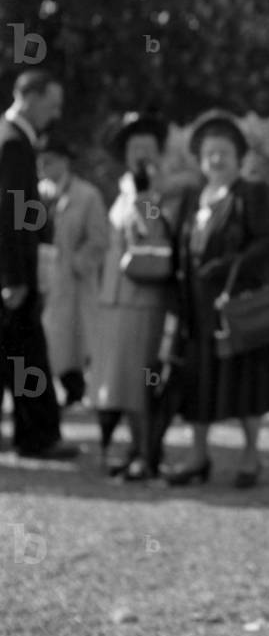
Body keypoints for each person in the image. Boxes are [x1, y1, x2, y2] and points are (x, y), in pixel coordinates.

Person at [163, 109, 269, 487]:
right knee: (196, 379)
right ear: (199, 158)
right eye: (209, 152)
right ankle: (199, 456)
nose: (215, 159)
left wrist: (231, 263)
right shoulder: (191, 197)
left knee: (244, 378)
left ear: (238, 156)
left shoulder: (253, 192)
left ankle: (250, 456)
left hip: (235, 305)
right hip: (196, 307)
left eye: (223, 152)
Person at [90, 111, 183, 479]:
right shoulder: (125, 186)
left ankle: (148, 454)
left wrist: (147, 193)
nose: (139, 154)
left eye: (146, 147)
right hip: (115, 299)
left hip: (143, 299)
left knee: (141, 380)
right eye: (133, 147)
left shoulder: (163, 190)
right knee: (122, 382)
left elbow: (156, 231)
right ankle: (134, 448)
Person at [0, 69, 78, 459]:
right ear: (29, 96)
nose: (56, 113)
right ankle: (38, 436)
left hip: (13, 272)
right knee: (27, 353)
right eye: (52, 103)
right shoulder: (13, 143)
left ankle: (35, 434)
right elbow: (12, 213)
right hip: (13, 276)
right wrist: (14, 277)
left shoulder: (10, 138)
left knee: (19, 354)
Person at [36, 133, 107, 409]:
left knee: (72, 339)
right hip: (43, 276)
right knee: (46, 335)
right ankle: (39, 391)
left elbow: (99, 239)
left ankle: (74, 390)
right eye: (40, 162)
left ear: (64, 162)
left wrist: (79, 263)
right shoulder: (36, 193)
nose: (43, 167)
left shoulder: (87, 195)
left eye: (49, 161)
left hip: (73, 279)